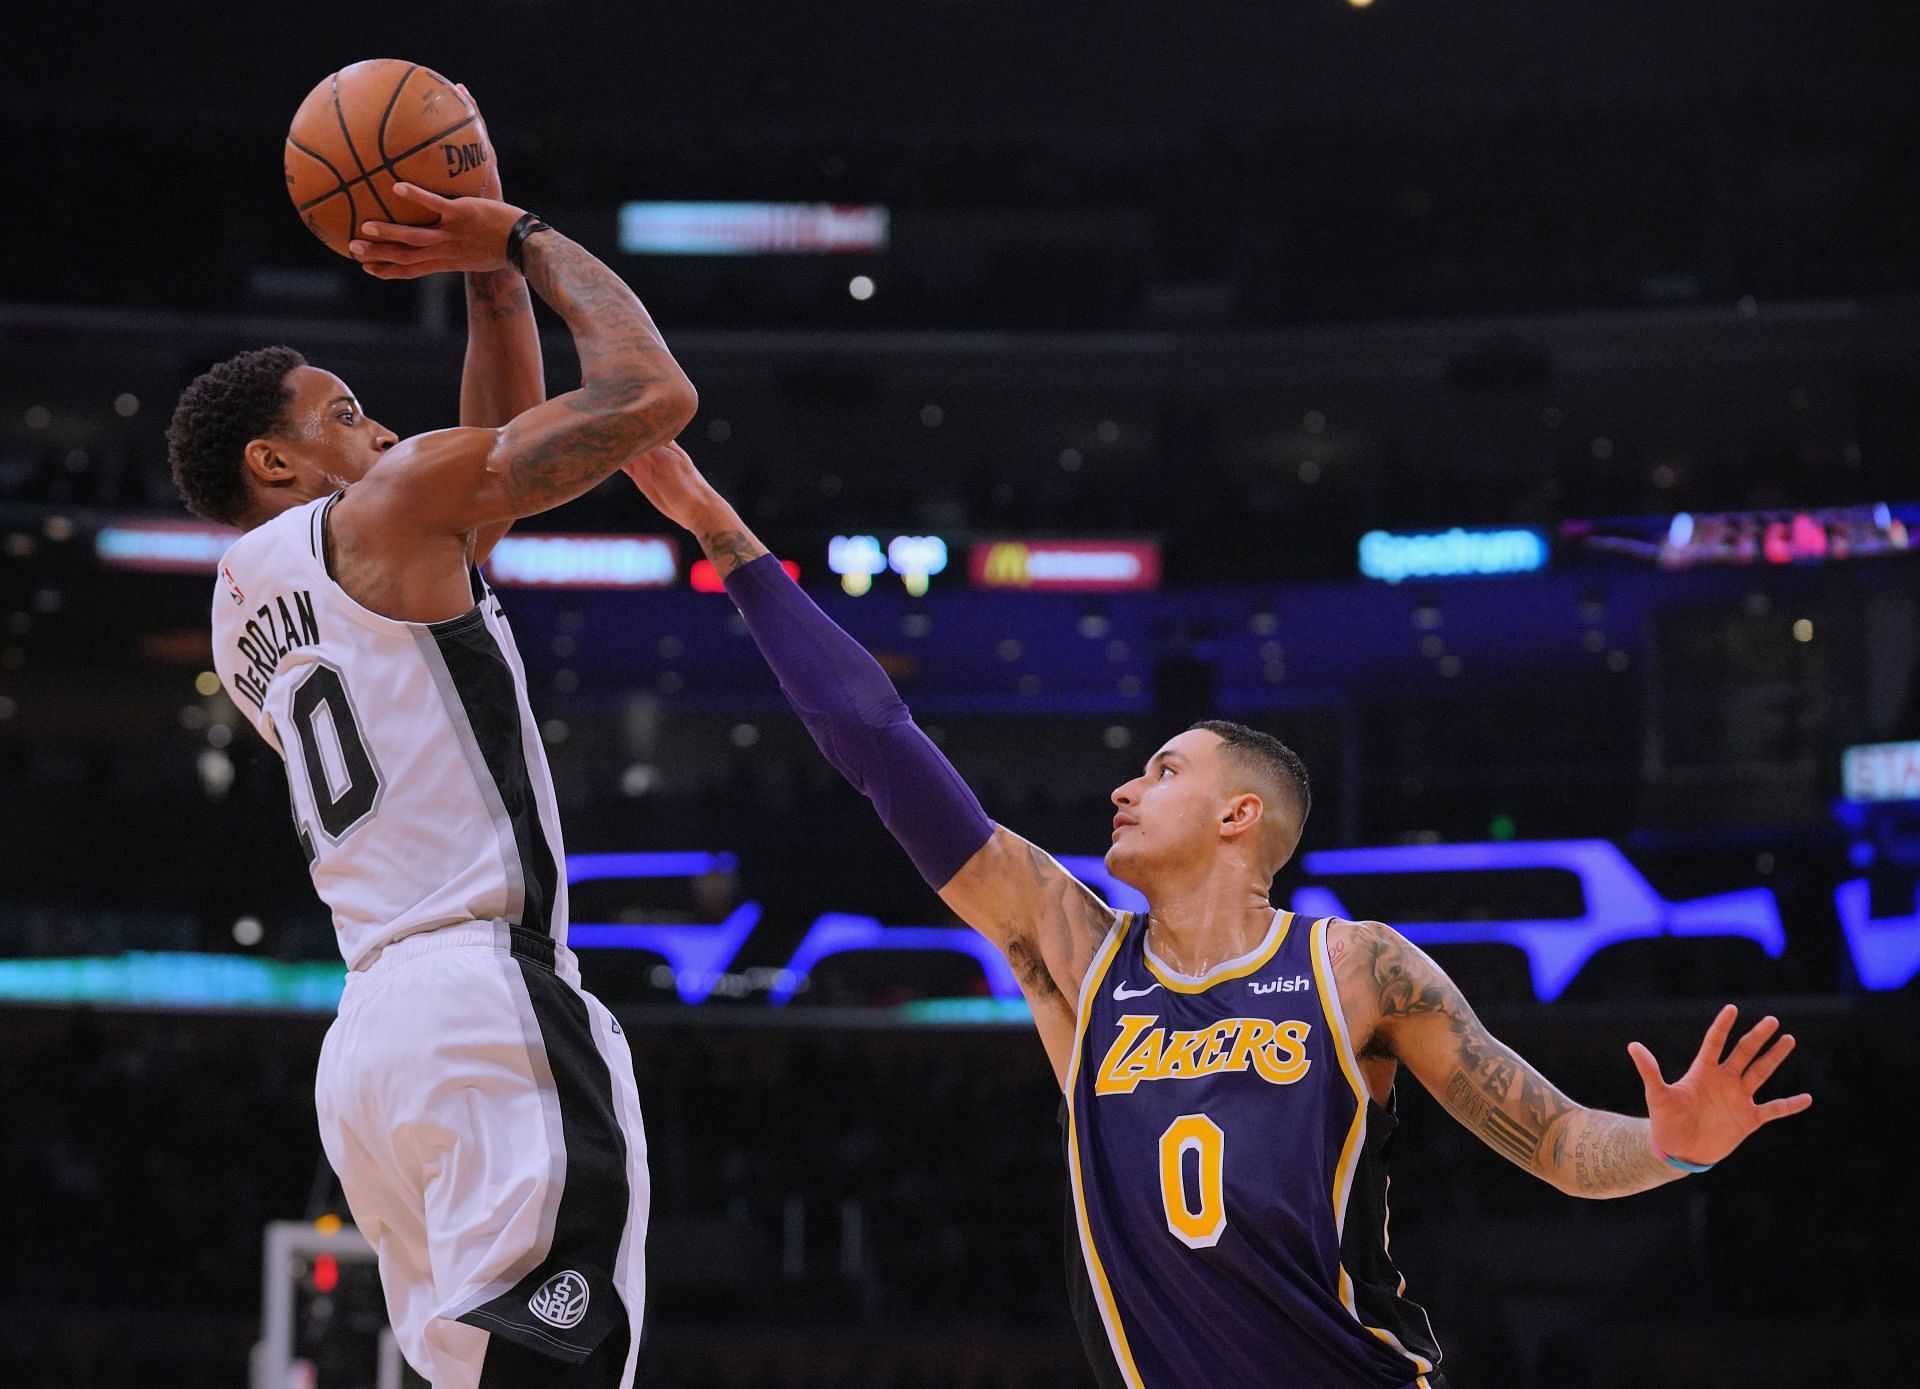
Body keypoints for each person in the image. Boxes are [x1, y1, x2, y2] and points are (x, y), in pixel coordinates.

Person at [621, 442, 1813, 1389]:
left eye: (1164, 769)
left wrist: (1673, 1144)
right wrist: (728, 542)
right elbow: (881, 749)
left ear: (1244, 815)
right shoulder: (1076, 954)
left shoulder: (1357, 969)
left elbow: (1555, 1143)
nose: (1125, 788)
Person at [169, 114, 695, 1388]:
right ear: (275, 459)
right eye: (347, 414)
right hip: (481, 994)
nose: (385, 431)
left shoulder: (247, 605)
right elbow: (650, 396)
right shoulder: (387, 511)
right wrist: (523, 234)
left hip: (371, 1048)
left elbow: (493, 493)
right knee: (558, 1367)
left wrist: (486, 282)